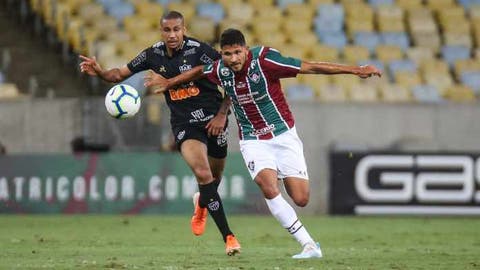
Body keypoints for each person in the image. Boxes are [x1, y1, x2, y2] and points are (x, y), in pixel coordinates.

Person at [144, 28, 382, 259]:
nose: (233, 59)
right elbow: (197, 71)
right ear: (222, 54)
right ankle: (308, 245)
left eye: (237, 52)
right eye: (227, 54)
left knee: (301, 198)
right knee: (267, 187)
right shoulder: (220, 69)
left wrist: (355, 70)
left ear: (246, 50)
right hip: (253, 139)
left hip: (283, 135)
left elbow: (310, 66)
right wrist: (170, 82)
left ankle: (206, 198)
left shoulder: (266, 60)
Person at [79, 12, 241, 256]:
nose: (172, 34)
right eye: (167, 30)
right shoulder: (152, 54)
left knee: (214, 181)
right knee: (203, 174)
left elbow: (231, 77)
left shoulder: (200, 50)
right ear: (161, 31)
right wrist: (100, 72)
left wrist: (222, 114)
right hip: (185, 125)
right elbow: (118, 75)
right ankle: (229, 237)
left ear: (184, 29)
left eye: (177, 29)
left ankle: (202, 203)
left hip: (214, 121)